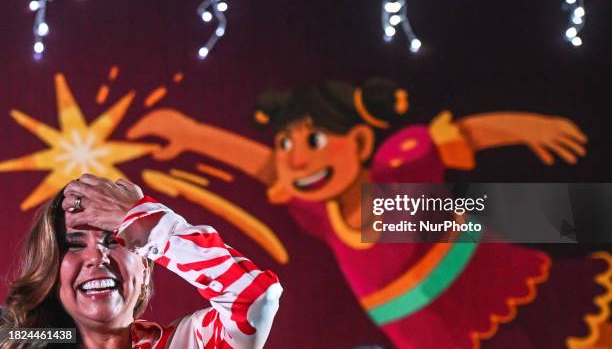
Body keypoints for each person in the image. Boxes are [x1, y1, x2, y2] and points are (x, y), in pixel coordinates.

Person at [125, 78, 611, 348]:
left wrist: (530, 128)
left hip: (514, 305)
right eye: (288, 146)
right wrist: (190, 135)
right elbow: (268, 166)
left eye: (313, 142)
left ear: (357, 142)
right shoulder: (324, 220)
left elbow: (473, 153)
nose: (297, 160)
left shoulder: (397, 182)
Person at [1, 174, 282, 348]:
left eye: (114, 240)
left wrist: (148, 223)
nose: (97, 256)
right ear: (52, 274)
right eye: (73, 245)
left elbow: (254, 298)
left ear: (146, 267)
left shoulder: (189, 344)